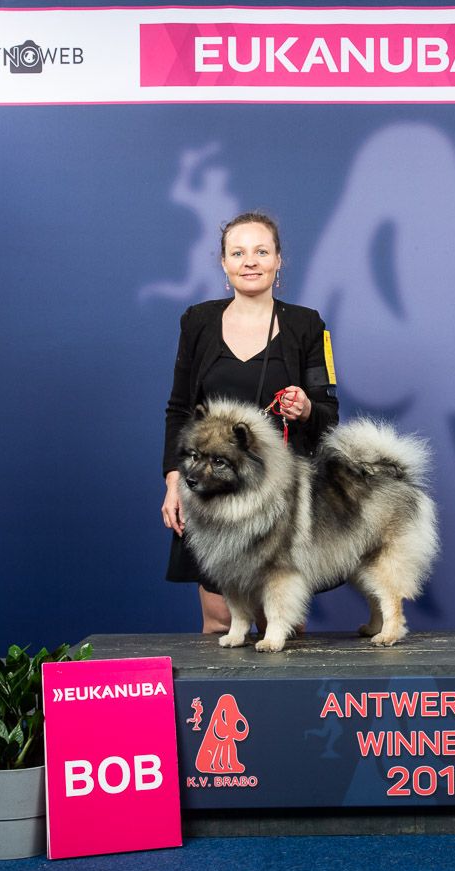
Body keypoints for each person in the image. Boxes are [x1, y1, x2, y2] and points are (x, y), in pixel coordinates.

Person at [161, 211, 339, 633]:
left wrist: (306, 408)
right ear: (224, 263)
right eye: (238, 253)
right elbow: (179, 409)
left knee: (281, 623)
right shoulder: (197, 322)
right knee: (219, 619)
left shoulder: (308, 325)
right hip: (210, 494)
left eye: (261, 251)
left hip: (280, 500)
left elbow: (328, 413)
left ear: (278, 260)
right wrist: (173, 480)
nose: (250, 262)